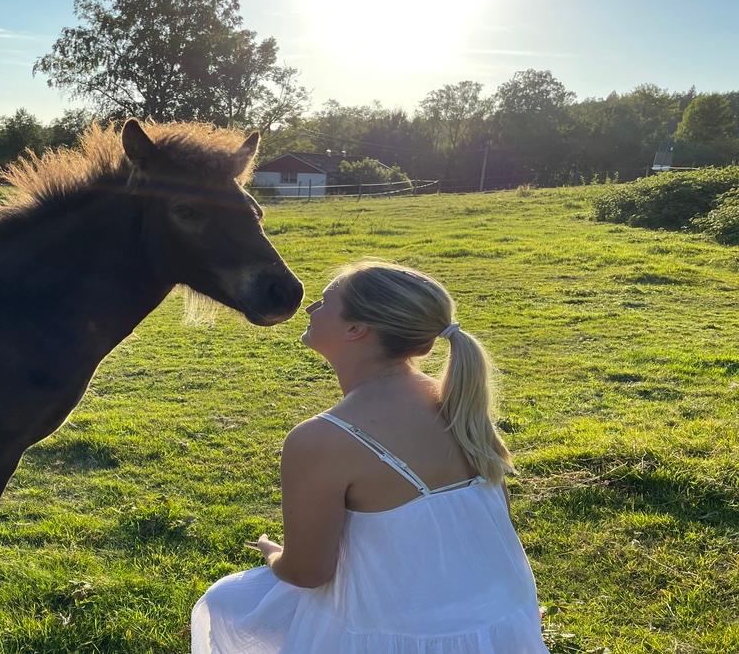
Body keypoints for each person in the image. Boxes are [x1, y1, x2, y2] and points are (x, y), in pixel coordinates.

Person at [191, 261, 547, 653]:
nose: (310, 309)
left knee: (227, 600)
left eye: (325, 302)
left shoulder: (321, 439)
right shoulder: (457, 398)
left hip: (398, 633)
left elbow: (308, 572)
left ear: (356, 329)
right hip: (500, 618)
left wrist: (274, 554)